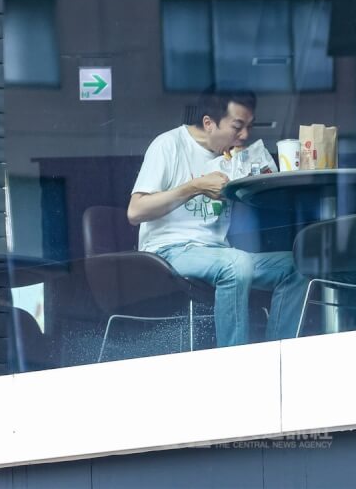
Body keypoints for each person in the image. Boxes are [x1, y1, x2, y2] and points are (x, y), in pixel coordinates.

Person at [127, 91, 307, 347]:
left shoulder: (232, 158)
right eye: (237, 127)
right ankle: (233, 364)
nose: (244, 135)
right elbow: (135, 212)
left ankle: (277, 353)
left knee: (297, 265)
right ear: (209, 123)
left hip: (219, 254)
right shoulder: (169, 145)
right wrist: (195, 187)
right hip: (168, 251)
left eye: (249, 127)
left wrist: (257, 176)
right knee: (236, 264)